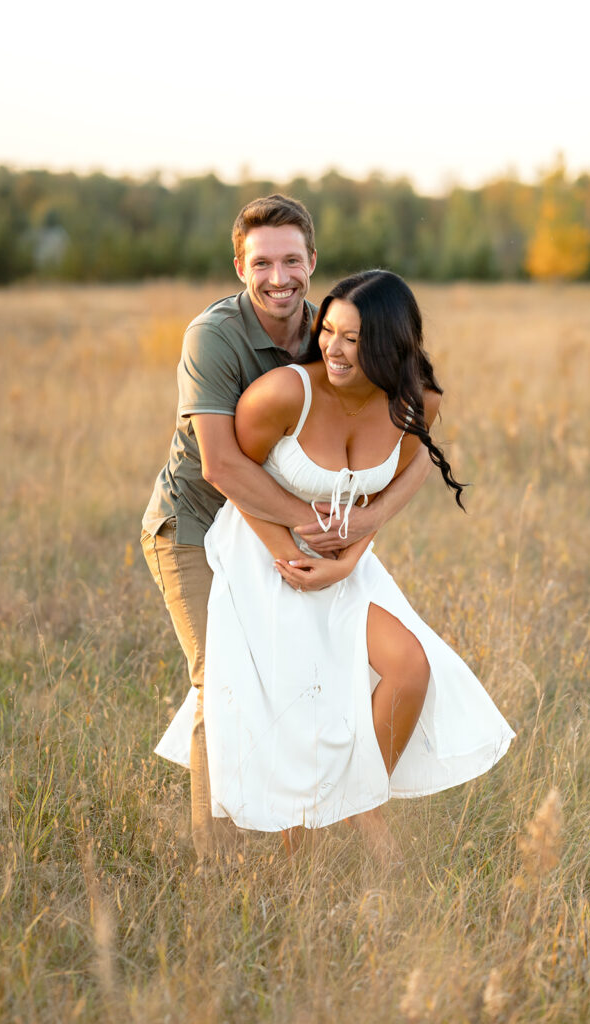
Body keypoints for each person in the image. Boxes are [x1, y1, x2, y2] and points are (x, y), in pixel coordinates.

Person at [155, 270, 515, 852]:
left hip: (344, 558)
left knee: (411, 666)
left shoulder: (415, 402)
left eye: (353, 338)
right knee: (293, 699)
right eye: (329, 332)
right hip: (261, 547)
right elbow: (236, 482)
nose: (334, 348)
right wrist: (286, 558)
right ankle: (293, 864)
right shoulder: (284, 395)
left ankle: (356, 802)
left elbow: (399, 478)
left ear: (390, 342)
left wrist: (352, 557)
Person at [142, 197, 433, 864]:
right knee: (222, 680)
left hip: (293, 532)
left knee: (318, 674)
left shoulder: (333, 332)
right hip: (196, 523)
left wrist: (362, 523)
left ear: (312, 263)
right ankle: (213, 868)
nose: (280, 278)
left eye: (292, 261)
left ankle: (315, 829)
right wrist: (312, 527)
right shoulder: (212, 336)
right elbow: (221, 467)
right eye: (263, 262)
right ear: (239, 266)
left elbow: (409, 444)